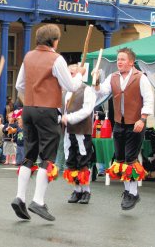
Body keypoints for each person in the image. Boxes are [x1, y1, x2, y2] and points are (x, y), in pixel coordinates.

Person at [11, 24, 85, 221]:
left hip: (28, 109)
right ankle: (38, 201)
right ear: (54, 41)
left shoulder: (28, 57)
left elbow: (19, 85)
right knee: (47, 156)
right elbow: (69, 85)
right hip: (47, 110)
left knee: (29, 153)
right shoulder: (56, 58)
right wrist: (78, 76)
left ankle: (20, 197)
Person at [93, 47, 154, 210]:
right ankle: (128, 191)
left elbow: (149, 100)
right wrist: (97, 81)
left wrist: (143, 119)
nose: (119, 62)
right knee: (119, 159)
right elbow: (101, 93)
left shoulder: (141, 78)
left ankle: (132, 193)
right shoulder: (113, 77)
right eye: (118, 59)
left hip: (135, 123)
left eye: (123, 59)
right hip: (119, 123)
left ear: (131, 62)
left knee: (130, 159)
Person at [61, 65, 96, 205]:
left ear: (80, 74)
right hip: (67, 132)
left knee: (83, 161)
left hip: (81, 131)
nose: (69, 75)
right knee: (70, 160)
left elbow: (87, 110)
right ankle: (77, 190)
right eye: (68, 73)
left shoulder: (87, 90)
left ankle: (86, 190)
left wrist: (69, 118)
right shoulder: (65, 91)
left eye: (72, 73)